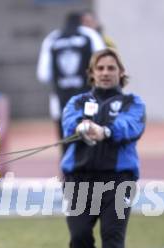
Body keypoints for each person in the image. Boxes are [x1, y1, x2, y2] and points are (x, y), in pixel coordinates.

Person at [60, 48, 146, 248]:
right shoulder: (77, 101)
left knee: (112, 235)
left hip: (118, 179)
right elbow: (69, 123)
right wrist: (82, 128)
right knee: (79, 236)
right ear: (92, 73)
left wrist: (105, 131)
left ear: (121, 73)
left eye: (111, 68)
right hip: (79, 179)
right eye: (101, 68)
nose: (106, 73)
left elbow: (131, 126)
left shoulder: (134, 102)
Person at [36, 11, 105, 155]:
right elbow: (103, 65)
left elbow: (43, 75)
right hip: (89, 102)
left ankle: (69, 175)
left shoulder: (52, 38)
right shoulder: (90, 35)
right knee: (91, 142)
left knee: (66, 144)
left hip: (60, 103)